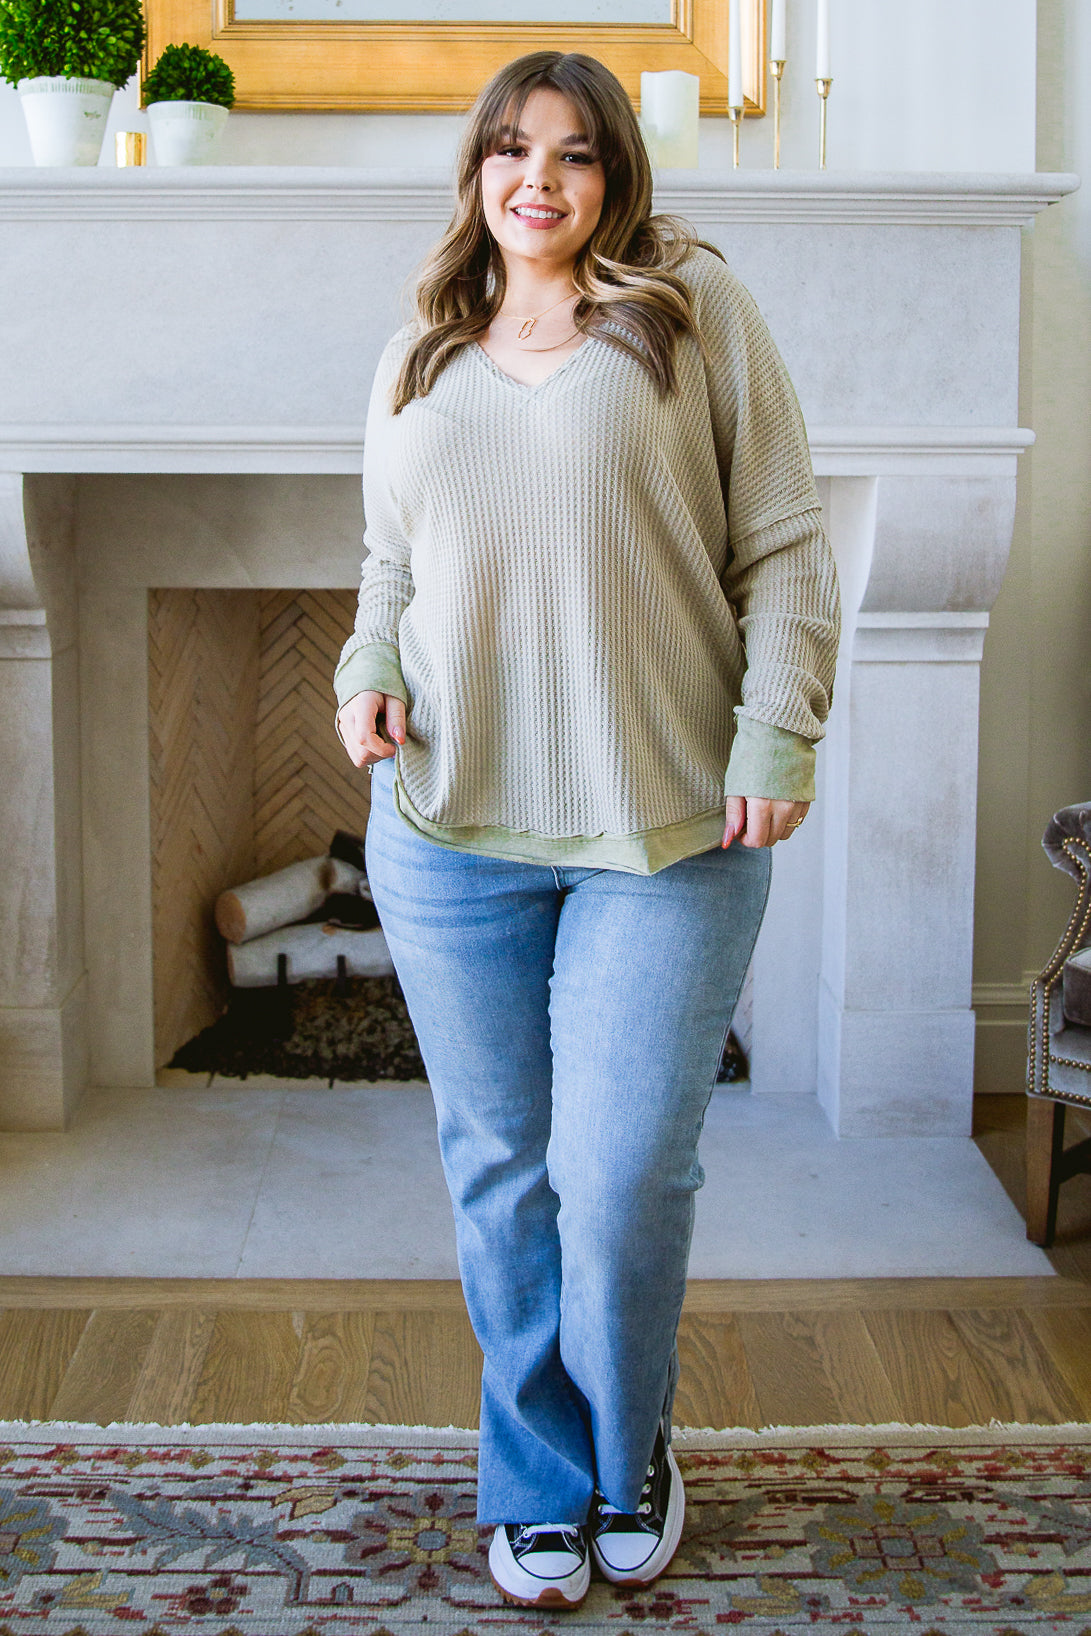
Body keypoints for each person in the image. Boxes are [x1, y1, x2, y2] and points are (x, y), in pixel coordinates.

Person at [334, 49, 840, 1610]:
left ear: (616, 172)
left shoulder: (691, 313)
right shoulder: (423, 348)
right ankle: (540, 1480)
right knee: (498, 1171)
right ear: (476, 174)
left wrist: (779, 729)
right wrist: (365, 669)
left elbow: (786, 541)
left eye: (572, 153)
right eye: (509, 150)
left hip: (668, 828)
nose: (536, 179)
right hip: (448, 826)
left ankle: (635, 1448)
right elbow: (389, 564)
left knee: (620, 1178)